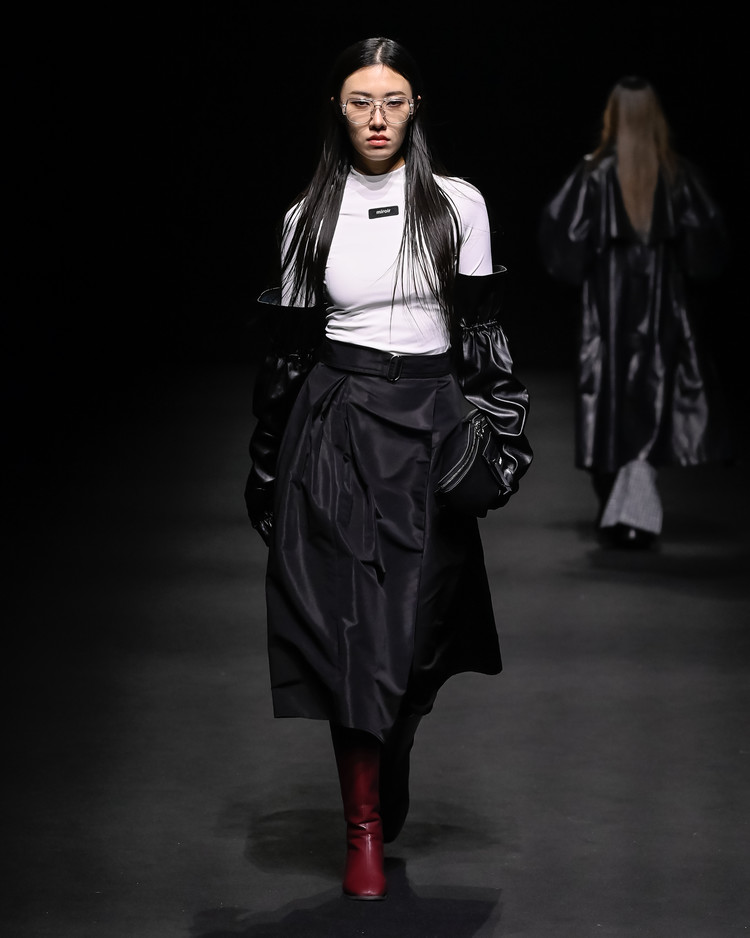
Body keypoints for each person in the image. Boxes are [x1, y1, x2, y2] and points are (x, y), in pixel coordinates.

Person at [244, 37, 532, 899]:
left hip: (432, 425)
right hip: (338, 424)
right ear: (337, 111)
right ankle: (362, 830)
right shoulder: (307, 218)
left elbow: (482, 335)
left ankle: (394, 736)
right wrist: (268, 468)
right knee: (352, 632)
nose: (377, 117)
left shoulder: (457, 205)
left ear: (415, 109)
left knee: (417, 636)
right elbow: (288, 357)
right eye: (360, 100)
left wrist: (500, 436)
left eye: (393, 100)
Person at [538, 76, 733, 549]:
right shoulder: (676, 175)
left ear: (613, 117)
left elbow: (563, 240)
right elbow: (706, 245)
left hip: (608, 311)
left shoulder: (594, 174)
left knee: (609, 399)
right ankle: (632, 510)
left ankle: (622, 510)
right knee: (650, 398)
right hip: (662, 308)